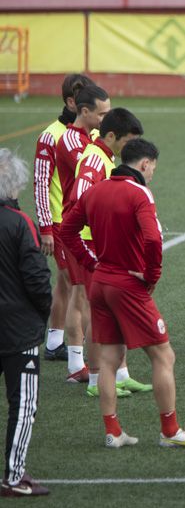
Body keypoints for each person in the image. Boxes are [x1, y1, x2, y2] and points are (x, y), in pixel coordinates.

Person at [62, 139, 185, 450]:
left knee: (108, 360)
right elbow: (154, 239)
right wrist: (152, 276)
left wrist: (90, 262)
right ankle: (170, 431)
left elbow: (67, 231)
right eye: (153, 167)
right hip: (127, 285)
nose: (153, 173)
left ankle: (113, 432)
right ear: (144, 164)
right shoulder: (139, 192)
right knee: (163, 355)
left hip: (101, 282)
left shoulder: (96, 190)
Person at [64, 107, 150, 399]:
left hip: (101, 243)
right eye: (128, 142)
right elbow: (81, 201)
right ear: (111, 136)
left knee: (111, 313)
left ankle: (121, 375)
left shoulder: (105, 157)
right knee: (97, 314)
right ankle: (95, 380)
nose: (132, 149)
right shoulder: (93, 161)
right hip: (92, 244)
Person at [0, 149, 51, 497]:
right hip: (18, 331)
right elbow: (37, 280)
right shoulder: (21, 224)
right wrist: (43, 313)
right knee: (23, 405)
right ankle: (14, 477)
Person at [33, 73, 93, 362]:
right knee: (76, 284)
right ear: (71, 102)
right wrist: (45, 227)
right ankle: (76, 355)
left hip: (84, 224)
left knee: (65, 282)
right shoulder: (50, 136)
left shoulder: (91, 131)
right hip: (60, 224)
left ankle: (55, 341)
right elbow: (41, 183)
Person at [54, 84, 110, 384]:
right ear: (84, 111)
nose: (106, 119)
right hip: (78, 228)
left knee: (82, 295)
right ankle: (85, 366)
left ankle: (80, 364)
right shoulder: (72, 142)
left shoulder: (90, 138)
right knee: (83, 297)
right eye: (102, 114)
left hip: (88, 227)